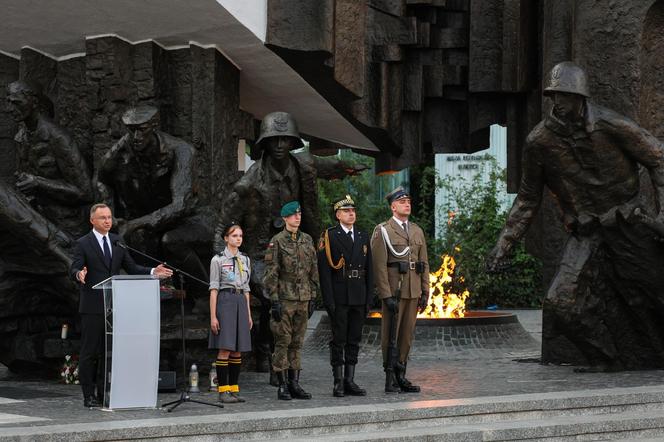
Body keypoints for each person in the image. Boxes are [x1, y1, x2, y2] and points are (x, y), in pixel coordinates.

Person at [486, 61, 664, 370]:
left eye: (565, 96)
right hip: (586, 231)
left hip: (627, 222)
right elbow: (528, 199)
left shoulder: (610, 124)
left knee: (655, 290)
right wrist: (504, 244)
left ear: (581, 97)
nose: (558, 102)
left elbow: (659, 157)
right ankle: (607, 357)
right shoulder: (538, 142)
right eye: (554, 96)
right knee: (561, 303)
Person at [213, 111, 366, 375]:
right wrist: (230, 266)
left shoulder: (302, 166)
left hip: (296, 248)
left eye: (286, 139)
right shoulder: (247, 184)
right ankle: (273, 358)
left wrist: (348, 167)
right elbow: (220, 230)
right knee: (277, 298)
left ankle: (276, 351)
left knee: (304, 300)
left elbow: (327, 166)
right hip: (261, 255)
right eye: (275, 140)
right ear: (265, 143)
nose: (281, 145)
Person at [70, 203, 172, 408]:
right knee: (90, 351)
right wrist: (78, 274)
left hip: (115, 305)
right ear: (92, 220)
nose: (107, 221)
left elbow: (131, 267)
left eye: (109, 217)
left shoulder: (117, 242)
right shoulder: (83, 243)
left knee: (108, 352)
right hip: (92, 305)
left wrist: (153, 272)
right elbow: (74, 267)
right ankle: (88, 395)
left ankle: (103, 393)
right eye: (102, 218)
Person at [97, 105, 210, 283]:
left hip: (189, 219)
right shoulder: (121, 149)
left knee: (170, 241)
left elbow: (181, 205)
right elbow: (102, 178)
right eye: (131, 130)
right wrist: (109, 213)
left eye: (142, 130)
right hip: (148, 220)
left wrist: (135, 224)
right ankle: (153, 294)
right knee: (137, 239)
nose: (136, 137)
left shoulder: (181, 150)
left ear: (154, 126)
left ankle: (203, 294)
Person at [370, 187, 429, 393]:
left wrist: (425, 291)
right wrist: (385, 295)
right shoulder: (383, 230)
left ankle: (401, 373)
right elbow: (379, 266)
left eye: (408, 201)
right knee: (390, 334)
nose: (407, 204)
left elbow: (424, 263)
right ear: (393, 207)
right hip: (395, 291)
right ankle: (389, 375)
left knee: (406, 335)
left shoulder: (416, 230)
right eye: (402, 201)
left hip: (413, 290)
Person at [317, 195, 373, 397]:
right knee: (338, 339)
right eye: (347, 211)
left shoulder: (362, 236)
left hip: (358, 294)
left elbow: (370, 269)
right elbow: (325, 273)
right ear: (338, 214)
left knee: (354, 339)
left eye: (353, 211)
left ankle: (350, 379)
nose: (351, 214)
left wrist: (369, 299)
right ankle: (338, 381)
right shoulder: (330, 236)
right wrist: (329, 300)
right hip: (340, 295)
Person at [263, 201, 319, 400]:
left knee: (297, 342)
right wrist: (274, 300)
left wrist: (313, 296)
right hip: (285, 298)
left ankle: (295, 383)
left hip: (303, 298)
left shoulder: (307, 240)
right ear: (285, 218)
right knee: (282, 341)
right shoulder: (277, 241)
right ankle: (282, 384)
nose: (298, 217)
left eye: (299, 214)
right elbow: (271, 273)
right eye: (293, 215)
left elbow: (313, 270)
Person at [208, 223, 252, 404]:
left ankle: (234, 389)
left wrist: (248, 314)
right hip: (225, 301)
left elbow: (247, 288)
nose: (238, 239)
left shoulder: (245, 260)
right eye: (234, 236)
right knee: (225, 347)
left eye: (240, 235)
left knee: (238, 349)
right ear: (226, 238)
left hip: (241, 301)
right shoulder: (218, 260)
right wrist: (213, 316)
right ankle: (223, 391)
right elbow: (213, 288)